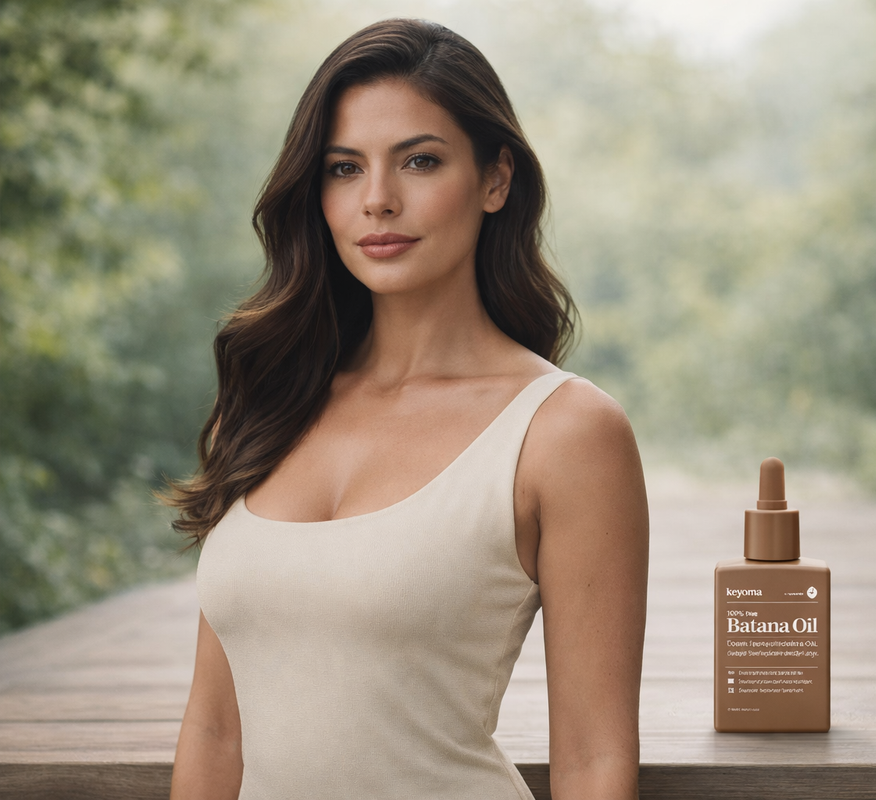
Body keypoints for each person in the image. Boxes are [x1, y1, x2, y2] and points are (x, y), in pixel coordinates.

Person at [167, 18, 649, 800]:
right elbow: (216, 729)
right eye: (344, 168)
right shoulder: (267, 401)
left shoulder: (564, 433)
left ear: (496, 181)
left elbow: (595, 759)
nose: (378, 200)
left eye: (419, 161)